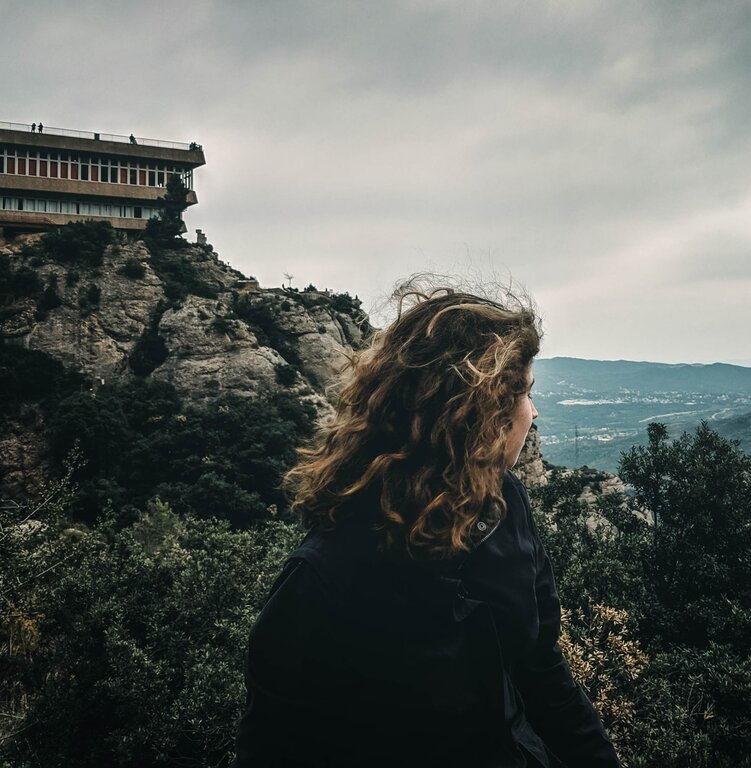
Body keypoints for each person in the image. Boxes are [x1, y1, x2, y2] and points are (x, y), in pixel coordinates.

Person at [234, 285, 620, 767]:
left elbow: (542, 669)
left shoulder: (505, 506)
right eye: (522, 393)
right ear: (477, 413)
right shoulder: (323, 577)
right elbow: (272, 746)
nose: (533, 412)